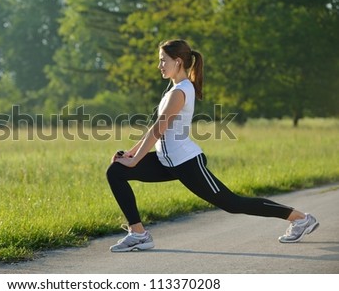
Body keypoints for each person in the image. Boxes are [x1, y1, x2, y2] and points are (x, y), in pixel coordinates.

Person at [106, 39, 319, 252]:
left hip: (187, 163)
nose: (159, 65)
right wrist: (130, 154)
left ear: (178, 62)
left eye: (163, 61)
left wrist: (135, 160)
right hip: (166, 161)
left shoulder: (180, 91)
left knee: (233, 204)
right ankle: (139, 233)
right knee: (116, 171)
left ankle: (300, 218)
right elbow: (155, 128)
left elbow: (158, 130)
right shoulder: (174, 90)